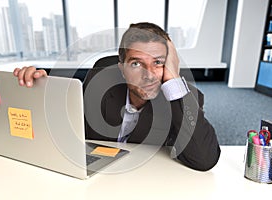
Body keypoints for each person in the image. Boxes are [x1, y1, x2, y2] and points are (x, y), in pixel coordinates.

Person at [14, 22, 220, 171]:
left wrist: (173, 79)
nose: (148, 75)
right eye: (136, 64)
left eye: (158, 63)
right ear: (121, 69)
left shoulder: (183, 98)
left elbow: (204, 159)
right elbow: (60, 125)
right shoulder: (100, 82)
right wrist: (35, 90)